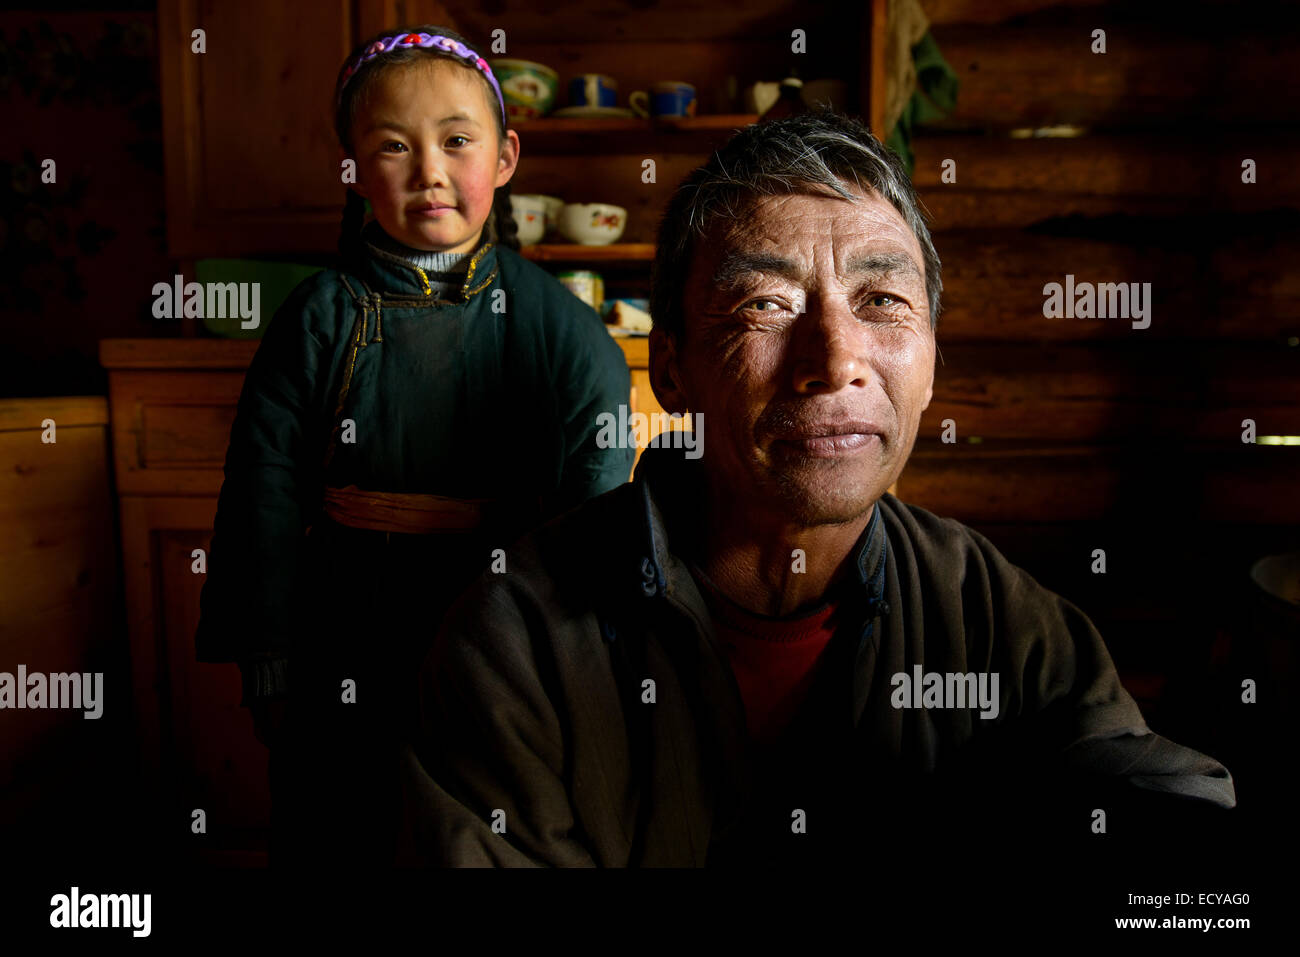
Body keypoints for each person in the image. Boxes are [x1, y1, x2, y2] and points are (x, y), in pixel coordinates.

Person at [397, 112, 1236, 869]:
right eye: (764, 303)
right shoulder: (519, 639)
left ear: (934, 359)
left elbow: (1150, 796)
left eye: (882, 300)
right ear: (672, 365)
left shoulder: (993, 614)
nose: (835, 359)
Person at [194, 26, 634, 867]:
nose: (429, 170)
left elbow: (597, 501)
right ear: (353, 170)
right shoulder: (319, 318)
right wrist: (271, 655)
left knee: (486, 822)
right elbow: (264, 487)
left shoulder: (564, 332)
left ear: (504, 157)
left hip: (503, 618)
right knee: (342, 815)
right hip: (344, 613)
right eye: (393, 146)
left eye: (456, 141)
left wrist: (580, 656)